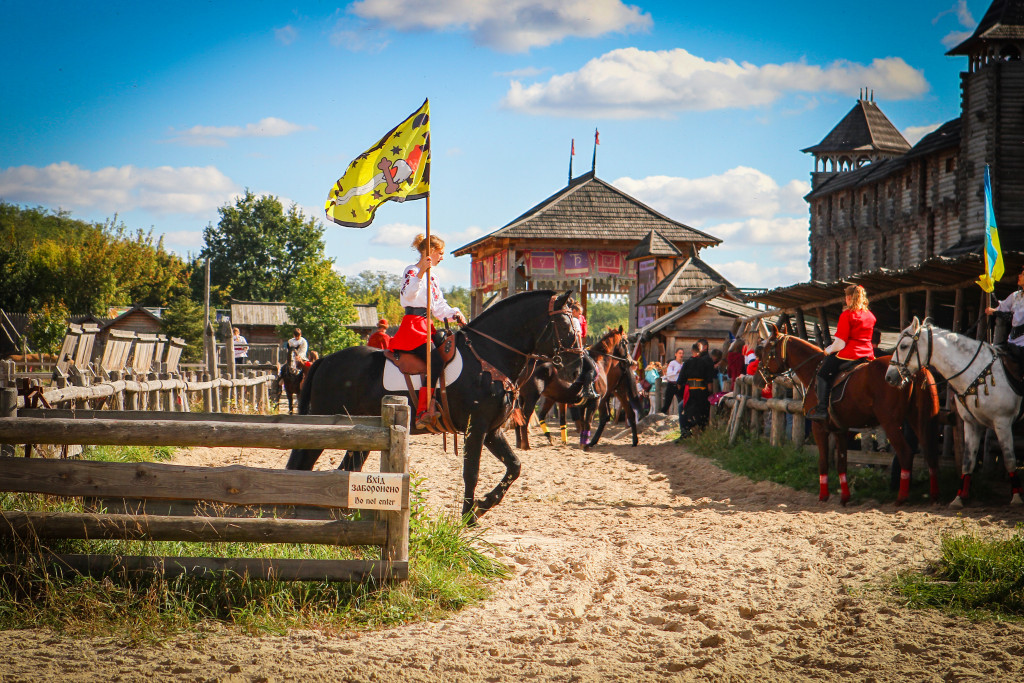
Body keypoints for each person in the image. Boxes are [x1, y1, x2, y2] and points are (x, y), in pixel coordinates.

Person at [390, 233, 467, 428]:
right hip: (413, 326)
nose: (442, 256)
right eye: (440, 252)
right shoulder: (411, 271)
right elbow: (407, 295)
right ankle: (423, 410)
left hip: (427, 324)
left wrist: (454, 314)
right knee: (436, 360)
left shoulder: (434, 278)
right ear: (430, 251)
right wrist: (421, 272)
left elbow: (439, 306)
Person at [807, 284, 876, 421]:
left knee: (822, 374)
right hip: (867, 354)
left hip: (850, 354)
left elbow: (840, 344)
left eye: (846, 296)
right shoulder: (870, 315)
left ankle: (822, 410)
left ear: (849, 298)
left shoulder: (847, 315)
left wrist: (827, 351)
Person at [676, 342, 716, 440]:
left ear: (692, 351)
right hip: (702, 394)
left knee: (681, 407)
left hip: (690, 393)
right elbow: (709, 382)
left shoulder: (687, 363)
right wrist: (709, 393)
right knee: (704, 412)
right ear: (701, 351)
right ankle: (703, 433)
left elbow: (679, 382)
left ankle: (684, 432)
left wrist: (682, 394)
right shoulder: (705, 363)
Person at [985, 266, 1024, 364]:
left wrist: (996, 312)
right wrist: (990, 288)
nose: (1019, 276)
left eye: (1023, 274)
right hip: (1012, 342)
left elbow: (1014, 318)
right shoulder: (1016, 295)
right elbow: (1001, 307)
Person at [659, 348, 686, 414]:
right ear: (676, 354)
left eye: (682, 353)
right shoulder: (673, 363)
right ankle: (660, 415)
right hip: (672, 384)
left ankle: (682, 417)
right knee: (667, 403)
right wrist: (677, 371)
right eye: (679, 353)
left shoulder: (683, 364)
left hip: (680, 385)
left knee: (683, 402)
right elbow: (668, 373)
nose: (681, 355)